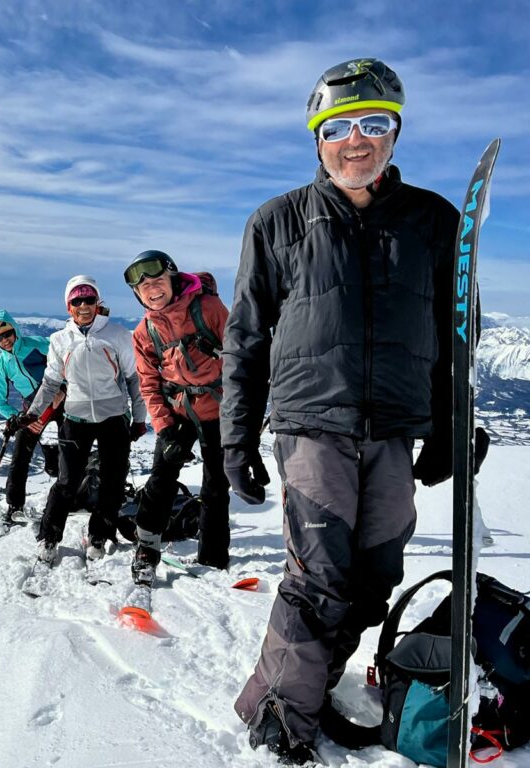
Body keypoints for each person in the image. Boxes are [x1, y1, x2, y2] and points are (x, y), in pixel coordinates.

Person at [221, 58, 462, 764]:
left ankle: (310, 683)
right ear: (318, 139)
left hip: (394, 427)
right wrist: (236, 437)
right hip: (312, 423)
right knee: (318, 578)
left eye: (374, 123)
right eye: (338, 128)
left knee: (374, 577)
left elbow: (453, 335)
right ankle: (280, 715)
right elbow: (246, 335)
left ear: (395, 133)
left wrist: (449, 425)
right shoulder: (278, 222)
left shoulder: (432, 221)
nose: (356, 141)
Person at [123, 250, 231, 585]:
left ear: (172, 279)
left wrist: (243, 413)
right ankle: (146, 548)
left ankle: (213, 554)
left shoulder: (209, 309)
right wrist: (165, 430)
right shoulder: (144, 332)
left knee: (216, 484)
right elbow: (148, 384)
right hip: (177, 412)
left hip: (217, 409)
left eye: (157, 281)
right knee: (161, 479)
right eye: (144, 287)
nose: (152, 290)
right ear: (138, 295)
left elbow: (239, 356)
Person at [24, 276, 148, 564]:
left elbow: (134, 379)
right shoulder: (60, 340)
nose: (83, 305)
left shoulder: (117, 335)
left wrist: (139, 419)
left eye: (89, 299)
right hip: (75, 418)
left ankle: (98, 535)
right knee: (67, 481)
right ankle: (49, 536)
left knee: (113, 482)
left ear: (97, 302)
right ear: (68, 306)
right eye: (76, 300)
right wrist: (33, 413)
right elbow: (51, 382)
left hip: (113, 418)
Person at [0, 310, 61, 525]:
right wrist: (17, 417)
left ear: (15, 330)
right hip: (32, 412)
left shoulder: (37, 344)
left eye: (7, 334)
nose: (5, 341)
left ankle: (75, 491)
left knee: (64, 455)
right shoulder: (2, 366)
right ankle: (14, 506)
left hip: (61, 401)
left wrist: (63, 388)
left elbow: (66, 359)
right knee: (20, 457)